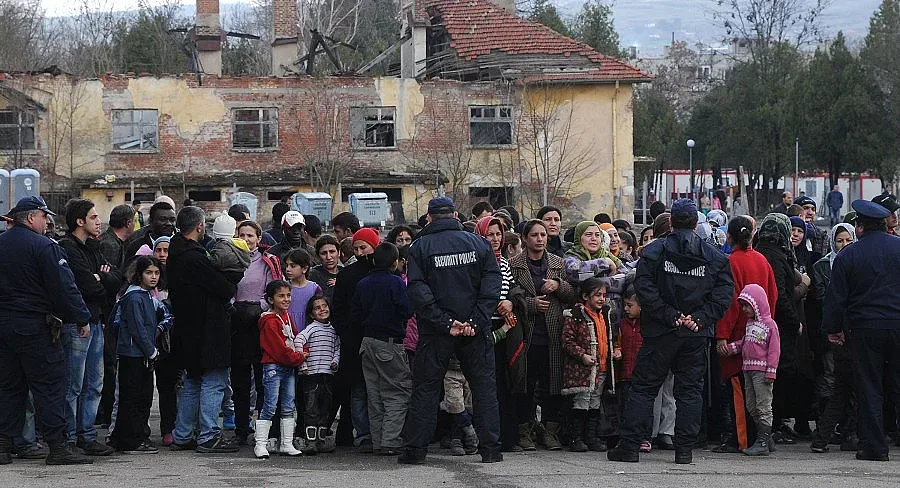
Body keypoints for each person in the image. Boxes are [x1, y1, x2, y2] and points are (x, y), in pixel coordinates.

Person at [608, 199, 733, 464]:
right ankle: (684, 450)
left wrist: (672, 316)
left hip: (662, 331)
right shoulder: (713, 255)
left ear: (672, 222)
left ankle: (630, 446)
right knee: (688, 391)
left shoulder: (654, 252)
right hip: (692, 333)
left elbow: (644, 287)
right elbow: (723, 295)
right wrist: (697, 319)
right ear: (695, 222)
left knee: (644, 388)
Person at [399, 197, 503, 464]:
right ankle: (491, 449)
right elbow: (492, 284)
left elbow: (418, 289)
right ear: (455, 214)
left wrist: (445, 322)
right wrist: (476, 321)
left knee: (426, 388)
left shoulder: (419, 247)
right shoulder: (479, 244)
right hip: (474, 329)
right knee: (483, 389)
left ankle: (415, 451)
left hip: (436, 331)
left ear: (430, 217)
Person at [0, 196, 95, 466]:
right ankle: (58, 447)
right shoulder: (44, 247)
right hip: (35, 327)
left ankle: (3, 445)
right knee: (49, 386)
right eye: (44, 217)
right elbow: (64, 287)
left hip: (4, 326)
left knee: (8, 387)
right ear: (31, 218)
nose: (48, 222)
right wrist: (81, 317)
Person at [823, 200, 900, 461]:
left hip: (864, 328)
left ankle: (875, 447)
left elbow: (836, 298)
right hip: (897, 325)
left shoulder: (849, 255)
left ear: (859, 228)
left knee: (869, 388)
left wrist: (833, 329)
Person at [167, 206, 239, 453]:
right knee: (215, 380)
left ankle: (183, 433)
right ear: (199, 227)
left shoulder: (176, 254)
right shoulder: (195, 257)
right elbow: (224, 288)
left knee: (193, 381)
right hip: (208, 328)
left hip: (188, 327)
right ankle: (208, 435)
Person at [58, 198, 122, 456]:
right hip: (78, 323)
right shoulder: (68, 248)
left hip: (96, 321)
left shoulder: (95, 247)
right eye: (94, 217)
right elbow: (86, 286)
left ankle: (87, 435)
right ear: (80, 221)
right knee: (73, 384)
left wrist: (103, 277)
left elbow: (115, 279)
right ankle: (69, 438)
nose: (99, 222)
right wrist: (101, 280)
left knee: (94, 383)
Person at [509, 219, 576, 452]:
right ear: (525, 238)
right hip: (526, 334)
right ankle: (524, 430)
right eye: (535, 235)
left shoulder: (557, 263)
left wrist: (557, 285)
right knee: (525, 385)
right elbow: (509, 298)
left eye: (543, 235)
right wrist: (531, 303)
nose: (540, 239)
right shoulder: (514, 264)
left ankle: (550, 431)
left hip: (553, 334)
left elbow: (571, 293)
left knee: (552, 385)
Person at [713, 215, 778, 454]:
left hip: (737, 336)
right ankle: (761, 436)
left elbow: (730, 304)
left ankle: (741, 438)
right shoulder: (762, 260)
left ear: (729, 236)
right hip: (760, 335)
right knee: (758, 393)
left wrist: (722, 335)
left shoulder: (731, 262)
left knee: (739, 391)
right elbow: (772, 296)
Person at [751, 213, 808, 446]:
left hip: (755, 326)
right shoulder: (776, 257)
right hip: (776, 327)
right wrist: (795, 322)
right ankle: (774, 426)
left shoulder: (758, 252)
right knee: (778, 374)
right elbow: (781, 296)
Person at [352, 243, 413, 456]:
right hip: (389, 342)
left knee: (374, 394)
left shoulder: (363, 283)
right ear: (395, 262)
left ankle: (378, 440)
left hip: (367, 342)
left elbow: (355, 312)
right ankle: (391, 440)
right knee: (397, 392)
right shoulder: (396, 283)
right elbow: (406, 310)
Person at [108, 256, 166, 454]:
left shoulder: (146, 296)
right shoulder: (133, 297)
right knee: (132, 399)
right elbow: (137, 328)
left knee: (143, 398)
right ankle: (130, 440)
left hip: (141, 354)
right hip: (132, 354)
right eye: (149, 273)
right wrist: (151, 351)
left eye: (156, 273)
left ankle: (138, 435)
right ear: (139, 274)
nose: (153, 277)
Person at [231, 220, 281, 446]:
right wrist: (235, 307)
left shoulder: (267, 262)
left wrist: (257, 308)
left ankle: (264, 428)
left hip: (260, 322)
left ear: (258, 239)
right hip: (237, 323)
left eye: (250, 235)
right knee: (240, 382)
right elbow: (228, 287)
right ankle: (241, 428)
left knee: (263, 380)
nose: (246, 239)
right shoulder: (230, 259)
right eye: (242, 234)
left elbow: (273, 291)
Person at [810, 223, 858, 453]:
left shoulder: (854, 263)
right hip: (840, 336)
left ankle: (838, 434)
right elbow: (825, 301)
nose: (844, 245)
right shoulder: (826, 266)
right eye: (839, 240)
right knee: (841, 386)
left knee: (846, 388)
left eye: (848, 240)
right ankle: (831, 435)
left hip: (851, 334)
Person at [331, 228, 379, 450]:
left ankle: (379, 432)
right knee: (358, 389)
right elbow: (338, 309)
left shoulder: (383, 272)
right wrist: (345, 334)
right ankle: (364, 434)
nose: (360, 253)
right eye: (357, 248)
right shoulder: (347, 274)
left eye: (364, 247)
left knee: (377, 389)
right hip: (353, 340)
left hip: (379, 337)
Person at [722, 284, 780, 456]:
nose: (745, 309)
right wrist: (733, 348)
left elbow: (774, 350)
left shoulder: (770, 325)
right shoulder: (749, 325)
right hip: (747, 369)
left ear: (758, 303)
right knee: (751, 405)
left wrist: (771, 370)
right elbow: (746, 342)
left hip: (762, 372)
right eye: (743, 306)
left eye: (747, 305)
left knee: (763, 405)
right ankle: (766, 438)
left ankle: (762, 440)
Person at [562, 278, 617, 452]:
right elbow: (567, 341)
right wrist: (582, 355)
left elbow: (612, 336)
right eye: (597, 295)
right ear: (585, 296)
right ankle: (575, 438)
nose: (602, 299)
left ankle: (590, 436)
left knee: (595, 401)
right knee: (582, 401)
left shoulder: (606, 314)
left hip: (601, 367)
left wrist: (616, 349)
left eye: (604, 295)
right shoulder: (576, 316)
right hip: (583, 369)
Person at [254, 280, 307, 459]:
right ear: (270, 299)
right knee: (269, 405)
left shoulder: (286, 316)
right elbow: (278, 348)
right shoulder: (269, 321)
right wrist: (299, 357)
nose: (286, 299)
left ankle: (287, 442)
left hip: (288, 366)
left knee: (288, 405)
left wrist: (300, 351)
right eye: (281, 296)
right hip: (275, 366)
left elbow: (295, 336)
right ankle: (260, 444)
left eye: (288, 295)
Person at [97, 203, 135, 428]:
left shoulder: (115, 243)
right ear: (129, 223)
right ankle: (105, 411)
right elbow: (108, 280)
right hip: (106, 313)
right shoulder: (110, 245)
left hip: (109, 312)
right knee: (108, 365)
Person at [295, 295, 341, 455]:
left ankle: (321, 440)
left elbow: (337, 348)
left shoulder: (334, 330)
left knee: (325, 408)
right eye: (317, 307)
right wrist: (303, 363)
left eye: (324, 306)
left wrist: (335, 361)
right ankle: (310, 442)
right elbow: (298, 341)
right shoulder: (311, 328)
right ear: (311, 314)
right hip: (311, 374)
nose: (322, 309)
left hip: (328, 374)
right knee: (311, 408)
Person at [617, 286, 646, 452]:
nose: (626, 309)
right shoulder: (622, 325)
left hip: (641, 374)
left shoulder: (647, 326)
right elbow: (617, 342)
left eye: (630, 305)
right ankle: (625, 436)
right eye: (625, 305)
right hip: (625, 374)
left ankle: (644, 436)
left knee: (641, 407)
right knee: (624, 407)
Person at [100, 204, 135, 270]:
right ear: (128, 223)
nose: (134, 224)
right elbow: (109, 275)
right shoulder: (109, 245)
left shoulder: (118, 242)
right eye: (134, 221)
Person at [309, 235, 341, 300]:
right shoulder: (312, 275)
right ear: (318, 256)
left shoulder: (345, 273)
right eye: (324, 253)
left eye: (332, 252)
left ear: (339, 253)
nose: (328, 257)